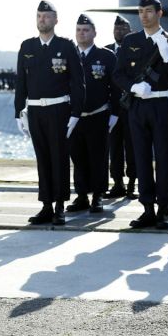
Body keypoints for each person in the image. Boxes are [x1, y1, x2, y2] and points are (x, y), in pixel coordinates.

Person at [112, 0, 168, 229]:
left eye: (149, 11)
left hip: (161, 104)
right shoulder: (130, 41)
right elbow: (118, 74)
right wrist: (133, 87)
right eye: (141, 12)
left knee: (164, 158)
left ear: (159, 13)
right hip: (137, 106)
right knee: (141, 157)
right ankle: (147, 208)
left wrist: (167, 58)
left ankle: (163, 209)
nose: (144, 16)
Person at [15, 0, 84, 226]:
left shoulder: (66, 46)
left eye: (46, 16)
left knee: (59, 158)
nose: (42, 19)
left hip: (59, 109)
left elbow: (78, 82)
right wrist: (18, 112)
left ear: (56, 20)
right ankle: (46, 205)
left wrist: (75, 113)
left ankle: (60, 206)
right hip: (35, 110)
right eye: (39, 16)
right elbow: (20, 82)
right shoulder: (27, 47)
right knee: (42, 158)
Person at [68, 14, 119, 213]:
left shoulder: (106, 56)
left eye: (86, 30)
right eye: (79, 30)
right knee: (77, 157)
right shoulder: (69, 55)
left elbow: (116, 88)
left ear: (94, 33)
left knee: (98, 157)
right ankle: (81, 195)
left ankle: (98, 196)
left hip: (98, 115)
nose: (82, 33)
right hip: (74, 117)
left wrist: (115, 113)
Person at [105, 15, 136, 199]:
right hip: (112, 108)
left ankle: (132, 183)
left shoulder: (135, 50)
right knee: (114, 147)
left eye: (124, 29)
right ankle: (117, 183)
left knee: (132, 146)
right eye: (117, 28)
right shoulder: (106, 52)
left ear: (130, 31)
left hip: (131, 106)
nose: (120, 31)